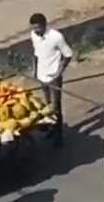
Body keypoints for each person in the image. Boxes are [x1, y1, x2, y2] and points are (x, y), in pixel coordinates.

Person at [30, 13, 73, 148]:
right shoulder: (33, 35)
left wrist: (58, 73)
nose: (35, 31)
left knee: (56, 108)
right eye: (33, 28)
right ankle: (51, 129)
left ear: (44, 25)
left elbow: (68, 55)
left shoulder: (56, 37)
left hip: (53, 78)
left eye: (37, 28)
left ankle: (58, 137)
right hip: (41, 76)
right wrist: (34, 69)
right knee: (47, 107)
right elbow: (36, 53)